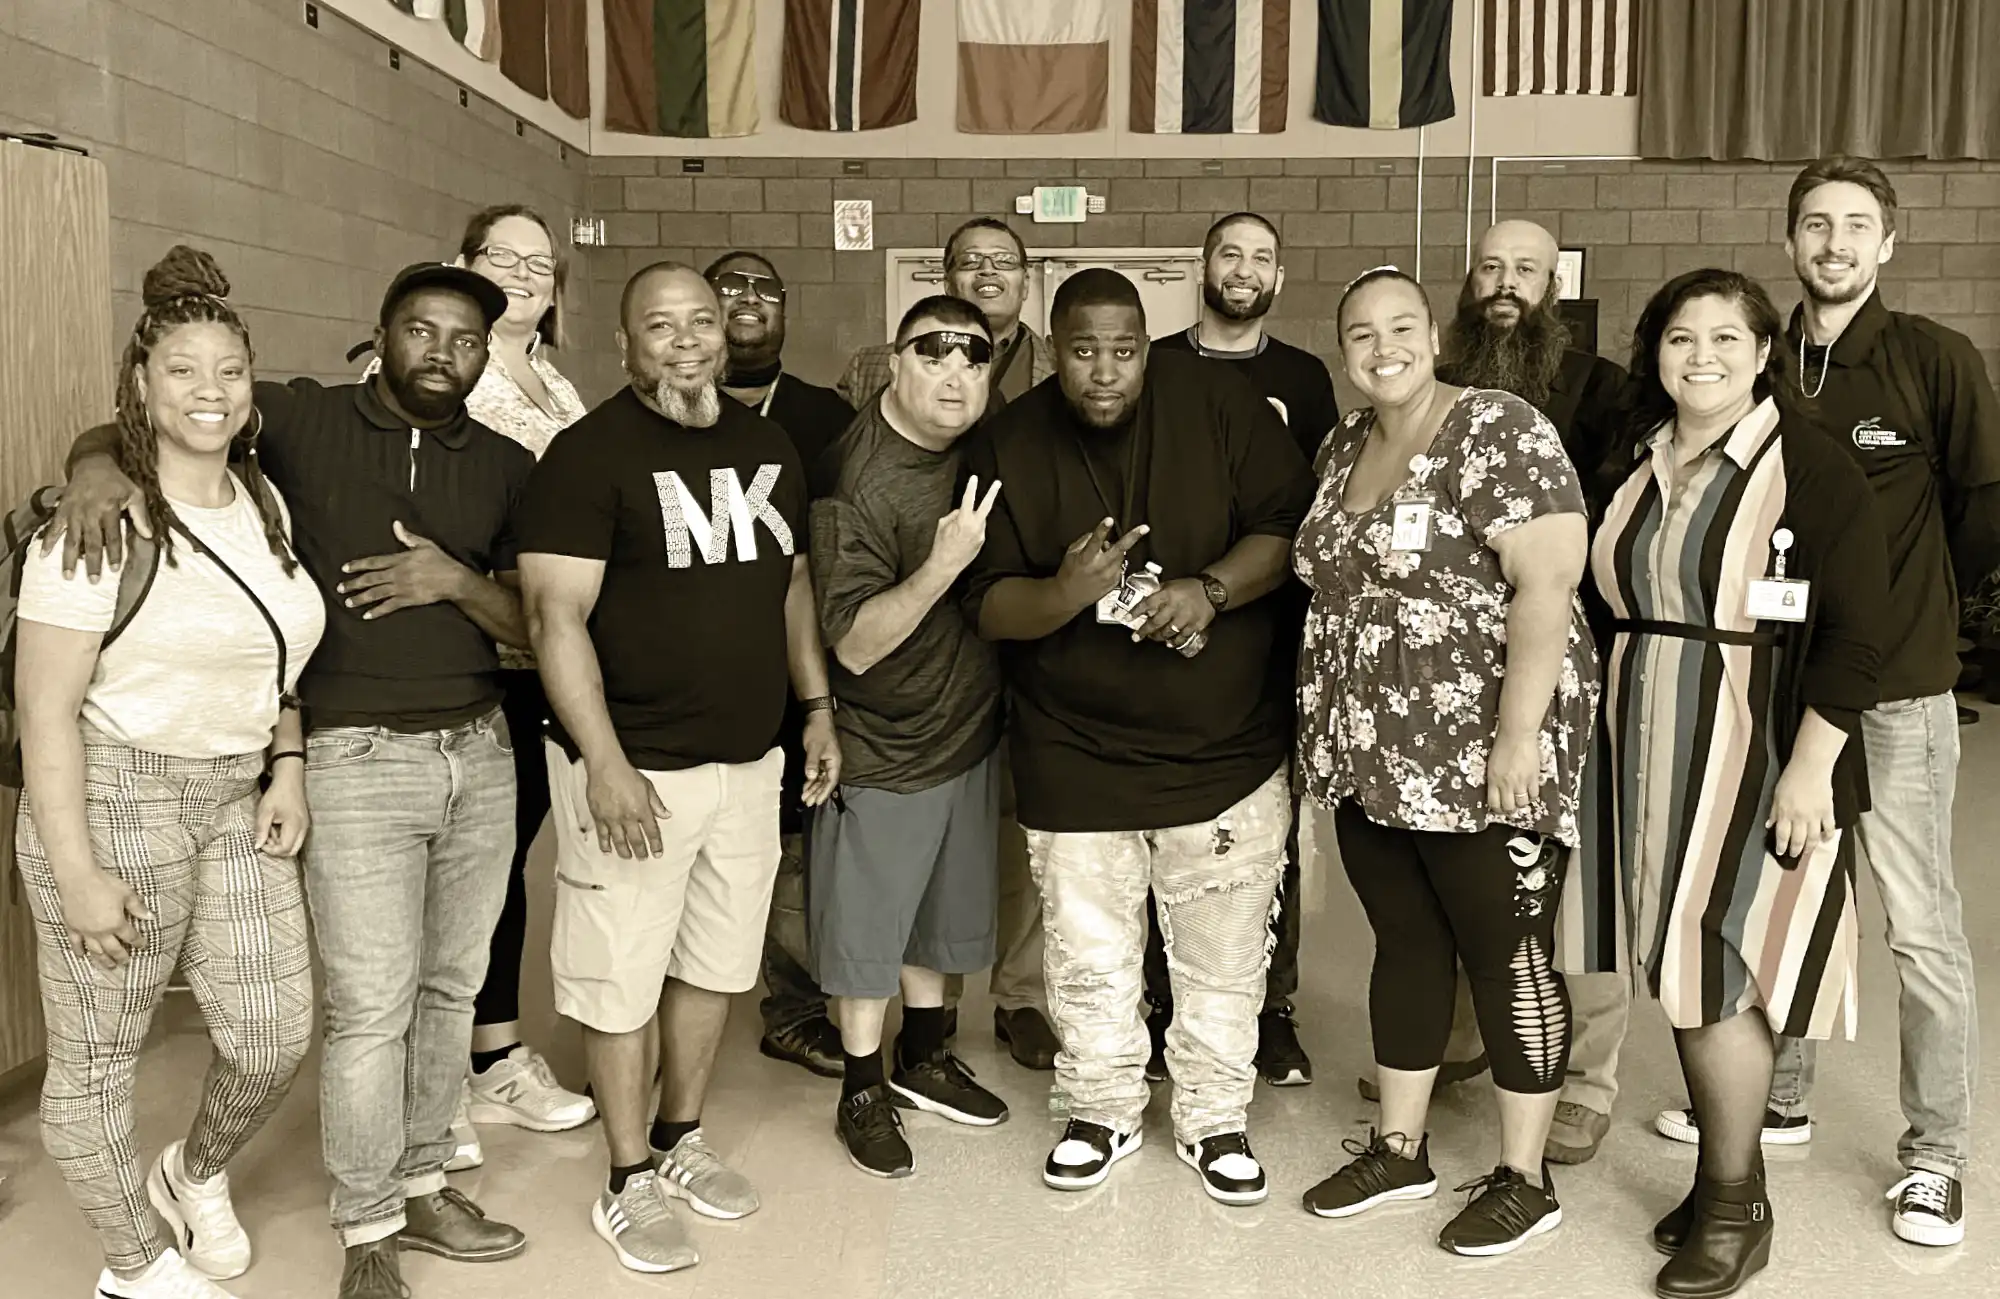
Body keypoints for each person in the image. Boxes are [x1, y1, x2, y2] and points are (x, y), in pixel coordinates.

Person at [53, 261, 537, 1299]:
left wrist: (454, 581)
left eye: (464, 340)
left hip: (479, 753)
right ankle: (368, 1224)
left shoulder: (505, 465)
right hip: (352, 757)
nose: (442, 353)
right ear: (381, 333)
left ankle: (422, 1182)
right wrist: (94, 466)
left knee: (450, 991)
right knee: (370, 1007)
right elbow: (175, 415)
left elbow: (535, 627)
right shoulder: (303, 422)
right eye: (422, 330)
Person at [1648, 157, 1997, 1250]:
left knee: (1917, 925)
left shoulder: (1933, 359)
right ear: (1789, 238)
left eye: (1855, 225)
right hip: (1775, 688)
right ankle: (1782, 1097)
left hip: (1893, 692)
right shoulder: (1756, 359)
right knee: (1780, 898)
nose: (1833, 243)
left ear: (1887, 242)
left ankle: (1936, 1154)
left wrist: (1911, 613)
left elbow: (1980, 513)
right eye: (1814, 224)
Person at [962, 268, 1313, 1205]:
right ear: (1053, 348)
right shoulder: (1009, 440)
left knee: (1222, 955)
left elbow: (1289, 527)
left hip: (1224, 746)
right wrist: (1065, 592)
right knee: (1089, 955)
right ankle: (1101, 1107)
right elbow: (985, 605)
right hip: (1072, 749)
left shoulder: (1222, 406)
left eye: (1124, 350)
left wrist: (1211, 589)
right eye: (1083, 351)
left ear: (1145, 345)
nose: (1106, 370)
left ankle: (1214, 1115)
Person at [516, 263, 840, 1274]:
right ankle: (625, 1178)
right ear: (625, 344)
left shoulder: (767, 446)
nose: (688, 339)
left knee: (713, 966)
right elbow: (553, 618)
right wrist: (604, 761)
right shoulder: (586, 456)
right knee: (618, 980)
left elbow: (791, 588)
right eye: (661, 325)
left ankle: (678, 1137)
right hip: (636, 770)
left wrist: (815, 707)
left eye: (702, 321)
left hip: (747, 764)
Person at [15, 248, 325, 1299]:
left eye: (229, 371)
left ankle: (191, 1172)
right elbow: (46, 711)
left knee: (274, 1034)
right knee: (98, 1064)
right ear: (139, 388)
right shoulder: (95, 525)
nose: (209, 391)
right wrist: (76, 870)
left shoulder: (264, 503)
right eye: (182, 370)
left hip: (237, 798)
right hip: (114, 796)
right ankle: (134, 1269)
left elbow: (275, 658)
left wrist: (287, 766)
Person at [1592, 268, 1889, 1297]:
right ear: (1655, 352)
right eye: (1681, 337)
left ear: (1765, 353)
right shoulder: (1634, 458)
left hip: (1753, 753)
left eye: (1727, 337)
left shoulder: (1810, 465)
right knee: (1679, 965)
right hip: (1647, 748)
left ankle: (1734, 1206)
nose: (1702, 356)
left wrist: (1808, 770)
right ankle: (1726, 1179)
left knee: (1716, 967)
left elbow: (1858, 636)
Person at [1295, 268, 1596, 1258]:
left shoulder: (1496, 427)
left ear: (1433, 335)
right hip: (1371, 754)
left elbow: (1547, 583)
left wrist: (1517, 736)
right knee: (1406, 943)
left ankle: (1525, 1177)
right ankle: (1399, 1148)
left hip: (1482, 753)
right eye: (1360, 332)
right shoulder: (1344, 441)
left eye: (1400, 327)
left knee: (1508, 955)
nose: (1381, 347)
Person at [1372, 218, 1632, 1166]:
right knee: (1458, 886)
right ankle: (1454, 1042)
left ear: (1555, 285)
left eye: (1526, 268)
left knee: (1570, 890)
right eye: (1490, 267)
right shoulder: (1432, 385)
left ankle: (1585, 1078)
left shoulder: (1604, 390)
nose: (1506, 283)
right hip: (1443, 698)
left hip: (1562, 675)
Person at [838, 217, 1061, 1072]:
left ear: (1026, 279)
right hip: (903, 704)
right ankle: (907, 1046)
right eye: (971, 262)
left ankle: (1007, 1004)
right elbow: (854, 624)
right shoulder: (871, 403)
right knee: (904, 882)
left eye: (1004, 263)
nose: (954, 368)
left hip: (1007, 667)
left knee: (1003, 853)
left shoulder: (1052, 374)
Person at [810, 296, 1013, 1176]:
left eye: (975, 357)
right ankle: (862, 1086)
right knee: (868, 928)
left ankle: (923, 1056)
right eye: (934, 354)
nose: (956, 374)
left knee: (942, 911)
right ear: (894, 361)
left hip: (968, 724)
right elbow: (853, 642)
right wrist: (942, 564)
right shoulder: (855, 477)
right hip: (885, 739)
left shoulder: (985, 443)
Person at [1147, 212, 1341, 1088]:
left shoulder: (1301, 377)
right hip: (1163, 623)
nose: (1244, 269)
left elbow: (1315, 502)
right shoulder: (1156, 363)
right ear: (1204, 265)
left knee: (1268, 831)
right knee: (1163, 823)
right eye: (1231, 253)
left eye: (1263, 257)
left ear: (1279, 278)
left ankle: (1271, 1006)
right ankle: (1162, 999)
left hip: (1267, 625)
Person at [448, 203, 596, 1158]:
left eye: (539, 263)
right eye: (501, 256)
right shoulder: (444, 366)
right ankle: (443, 1076)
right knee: (464, 871)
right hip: (469, 653)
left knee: (501, 863)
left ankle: (493, 1054)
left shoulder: (554, 381)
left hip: (544, 658)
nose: (523, 273)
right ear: (462, 264)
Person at [702, 250, 856, 1080]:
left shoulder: (824, 417)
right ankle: (645, 1023)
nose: (748, 300)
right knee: (678, 846)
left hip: (801, 662)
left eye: (765, 287)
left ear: (786, 310)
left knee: (796, 841)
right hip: (692, 670)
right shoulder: (662, 413)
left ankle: (793, 1009)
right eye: (729, 286)